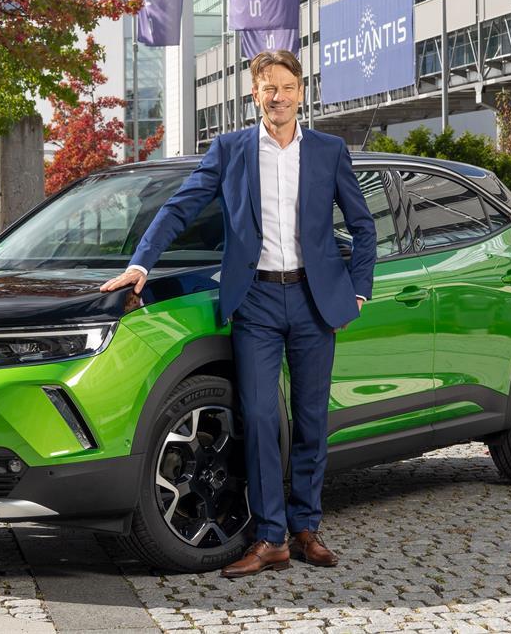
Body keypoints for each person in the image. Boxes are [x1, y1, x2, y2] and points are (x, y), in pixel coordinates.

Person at [99, 49, 377, 577]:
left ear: (301, 91)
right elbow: (179, 207)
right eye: (268, 88)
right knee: (261, 416)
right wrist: (141, 264)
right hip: (256, 301)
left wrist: (358, 290)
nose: (278, 97)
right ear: (254, 95)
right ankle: (271, 538)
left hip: (317, 302)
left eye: (287, 87)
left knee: (313, 420)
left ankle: (306, 528)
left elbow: (364, 227)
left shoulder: (328, 150)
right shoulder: (229, 150)